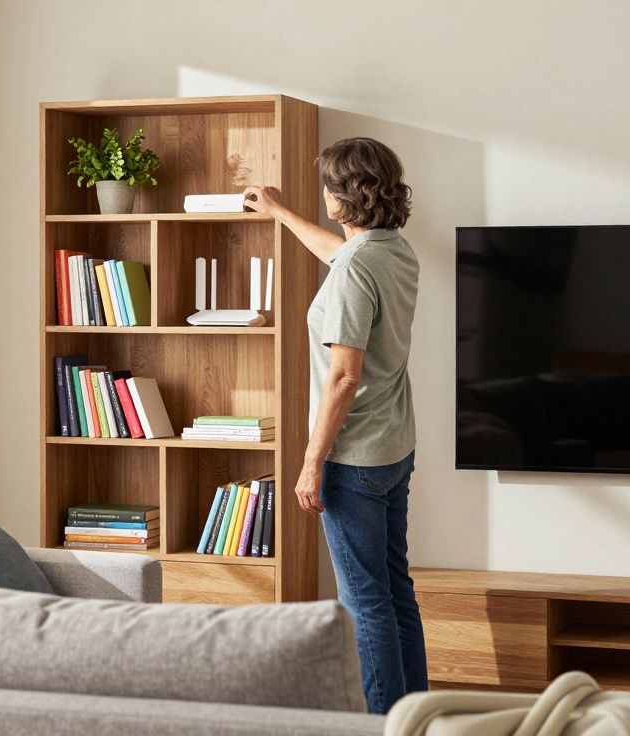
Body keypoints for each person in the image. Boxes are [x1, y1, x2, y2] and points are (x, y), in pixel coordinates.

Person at [243, 137, 424, 715]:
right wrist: (279, 211)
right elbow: (339, 257)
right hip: (394, 447)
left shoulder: (357, 267)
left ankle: (381, 726)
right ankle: (416, 718)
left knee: (364, 603)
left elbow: (342, 379)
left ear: (345, 194)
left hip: (354, 458)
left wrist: (309, 462)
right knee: (395, 593)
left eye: (327, 185)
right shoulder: (392, 251)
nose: (323, 194)